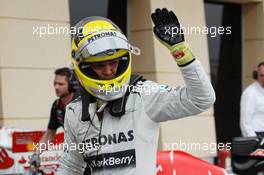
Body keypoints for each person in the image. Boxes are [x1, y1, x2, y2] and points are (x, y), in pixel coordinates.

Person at [57, 8, 215, 175]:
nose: (109, 70)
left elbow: (202, 98)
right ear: (83, 67)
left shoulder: (144, 94)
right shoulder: (74, 111)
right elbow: (70, 168)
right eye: (99, 65)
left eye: (114, 62)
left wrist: (179, 49)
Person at [30, 68, 79, 165]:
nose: (56, 87)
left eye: (61, 84)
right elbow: (49, 134)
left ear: (72, 85)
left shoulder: (83, 101)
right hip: (74, 154)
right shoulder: (57, 106)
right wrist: (36, 153)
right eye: (55, 83)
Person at [240, 61, 264, 137]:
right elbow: (245, 123)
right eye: (262, 75)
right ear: (256, 76)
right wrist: (255, 141)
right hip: (257, 136)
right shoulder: (250, 93)